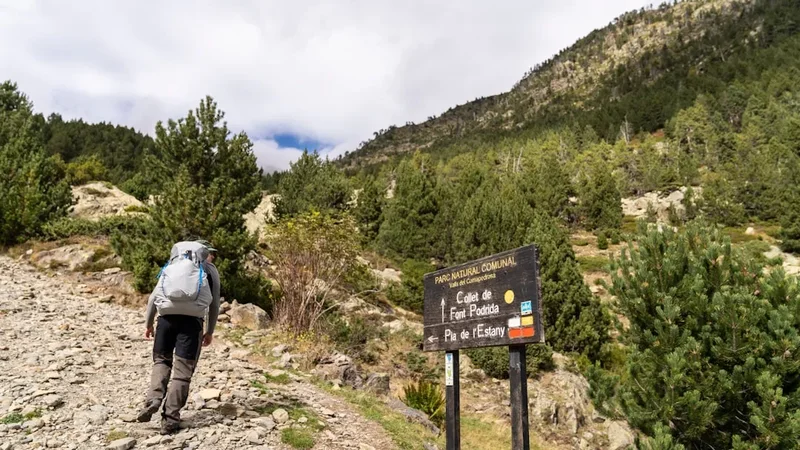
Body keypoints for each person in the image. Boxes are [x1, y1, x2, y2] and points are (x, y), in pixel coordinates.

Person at [136, 240, 221, 434]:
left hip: (165, 320)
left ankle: (153, 399)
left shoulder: (172, 265)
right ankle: (170, 419)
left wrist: (149, 323)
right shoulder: (210, 270)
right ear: (204, 253)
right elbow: (214, 303)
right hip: (192, 324)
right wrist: (210, 330)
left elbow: (153, 297)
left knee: (161, 361)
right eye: (211, 253)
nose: (213, 257)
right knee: (183, 372)